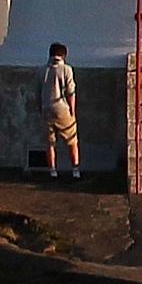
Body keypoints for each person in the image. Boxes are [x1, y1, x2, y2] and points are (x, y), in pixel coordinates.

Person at [43, 42, 81, 181]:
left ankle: (52, 171)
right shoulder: (66, 69)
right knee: (72, 140)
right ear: (64, 55)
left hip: (46, 108)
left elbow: (37, 92)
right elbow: (71, 92)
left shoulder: (42, 70)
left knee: (50, 143)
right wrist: (73, 111)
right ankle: (75, 170)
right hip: (62, 108)